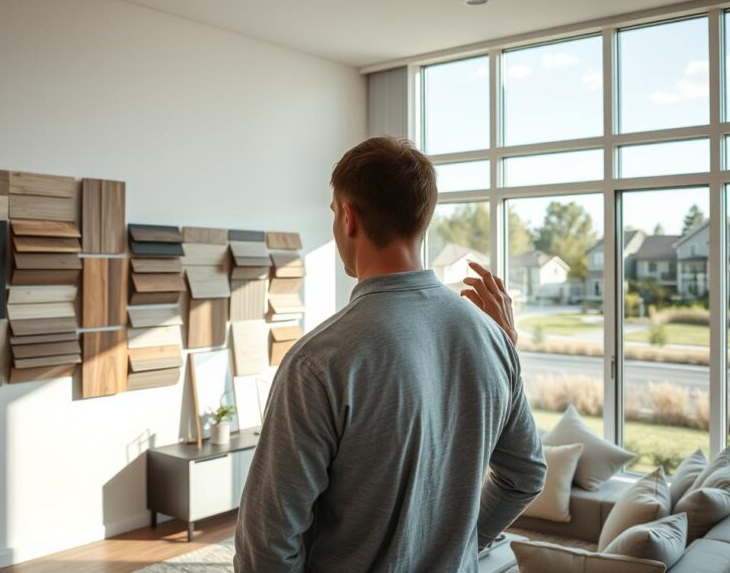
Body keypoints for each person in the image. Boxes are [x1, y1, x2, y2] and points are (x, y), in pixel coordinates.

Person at [234, 137, 546, 572]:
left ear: (348, 216)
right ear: (423, 219)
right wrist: (460, 546)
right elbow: (525, 475)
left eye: (332, 213)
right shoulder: (494, 338)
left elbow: (267, 546)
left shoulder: (318, 361)